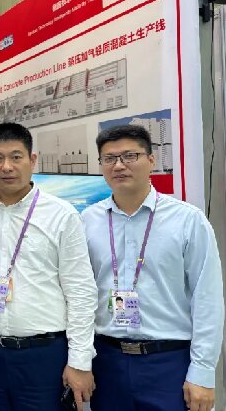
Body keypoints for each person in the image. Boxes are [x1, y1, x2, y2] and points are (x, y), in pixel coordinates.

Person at [82, 124, 224, 411]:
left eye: (129, 156)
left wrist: (203, 372)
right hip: (106, 361)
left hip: (168, 362)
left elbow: (207, 298)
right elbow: (80, 294)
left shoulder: (188, 220)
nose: (119, 165)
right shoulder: (87, 221)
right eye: (109, 158)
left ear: (151, 160)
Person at [0, 122, 97, 411]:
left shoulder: (62, 215)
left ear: (32, 160)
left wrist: (80, 361)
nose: (7, 167)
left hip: (43, 355)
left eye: (16, 157)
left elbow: (81, 292)